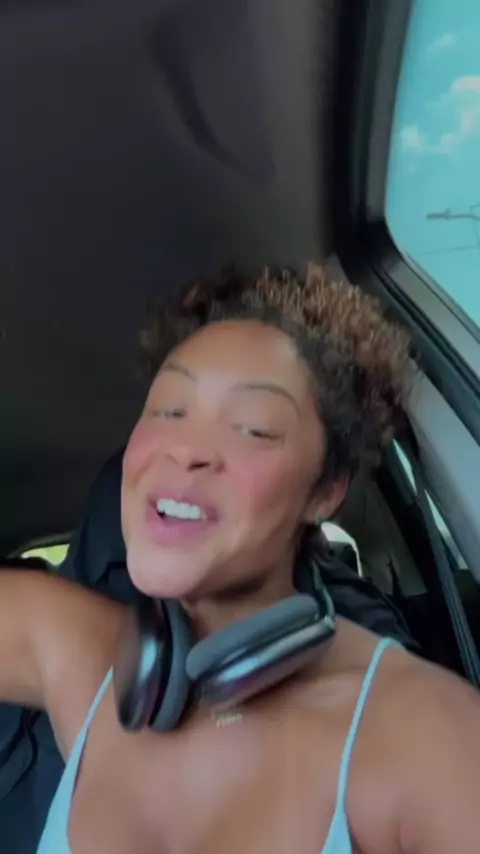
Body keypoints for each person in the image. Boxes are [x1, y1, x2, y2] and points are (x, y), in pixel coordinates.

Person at [1, 265, 479, 854]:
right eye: (168, 410)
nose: (187, 449)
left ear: (325, 491)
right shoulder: (75, 653)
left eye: (252, 428)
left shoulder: (426, 734)